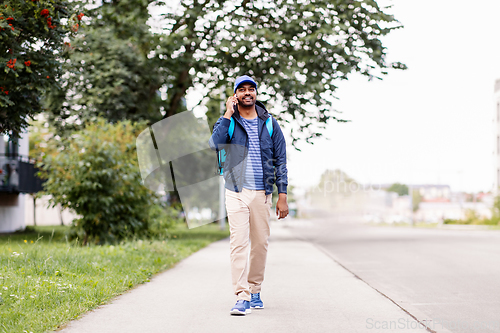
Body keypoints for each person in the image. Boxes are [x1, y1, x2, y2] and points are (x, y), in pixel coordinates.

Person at [209, 75, 289, 316]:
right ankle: (241, 296)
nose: (247, 93)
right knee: (239, 244)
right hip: (235, 191)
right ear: (235, 95)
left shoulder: (270, 123)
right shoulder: (228, 122)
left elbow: (281, 159)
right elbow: (215, 145)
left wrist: (282, 194)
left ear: (256, 93)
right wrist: (226, 113)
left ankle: (255, 290)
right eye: (241, 90)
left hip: (262, 193)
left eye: (250, 89)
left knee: (260, 244)